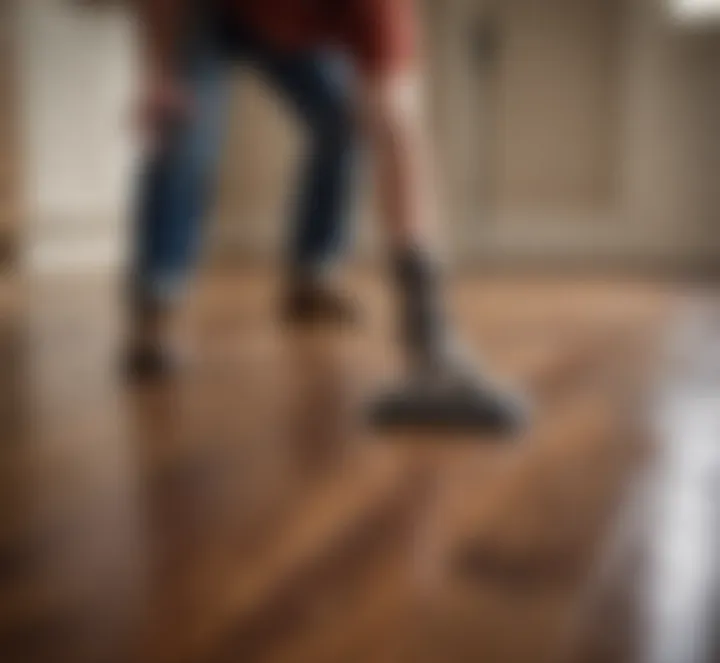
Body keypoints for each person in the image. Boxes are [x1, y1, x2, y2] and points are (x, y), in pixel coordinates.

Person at [129, 0, 527, 430]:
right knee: (184, 129)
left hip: (295, 27)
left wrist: (425, 315)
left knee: (343, 117)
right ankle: (157, 302)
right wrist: (161, 72)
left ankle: (312, 277)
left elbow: (396, 124)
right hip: (209, 11)